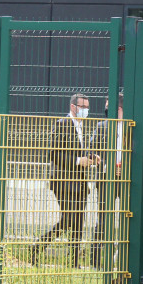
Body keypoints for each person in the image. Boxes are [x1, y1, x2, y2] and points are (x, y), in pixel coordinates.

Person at [33, 92, 100, 267]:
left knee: (77, 221)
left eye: (87, 107)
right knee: (69, 219)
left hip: (79, 183)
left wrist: (91, 157)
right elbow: (54, 154)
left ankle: (73, 261)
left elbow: (77, 151)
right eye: (82, 107)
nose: (86, 110)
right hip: (64, 182)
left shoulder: (80, 126)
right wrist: (78, 161)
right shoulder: (62, 124)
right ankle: (38, 246)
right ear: (73, 107)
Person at [89, 93, 126, 269]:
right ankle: (95, 261)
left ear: (118, 109)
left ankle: (127, 260)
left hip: (127, 180)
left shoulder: (131, 126)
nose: (105, 109)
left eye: (108, 106)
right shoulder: (101, 126)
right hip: (105, 179)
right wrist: (103, 163)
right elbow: (91, 149)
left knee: (129, 217)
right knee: (103, 219)